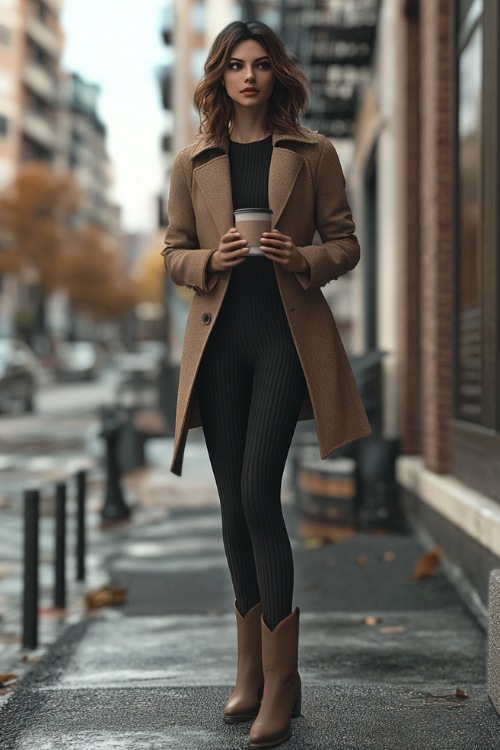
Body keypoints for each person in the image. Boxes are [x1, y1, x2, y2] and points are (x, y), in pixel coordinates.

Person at [162, 20, 371, 749]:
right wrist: (208, 260)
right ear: (220, 76)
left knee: (257, 493)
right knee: (230, 506)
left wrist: (303, 255)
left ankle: (283, 680)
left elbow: (346, 243)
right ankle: (249, 668)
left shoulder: (314, 154)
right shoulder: (193, 160)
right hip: (218, 343)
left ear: (277, 73)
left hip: (285, 336)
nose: (248, 76)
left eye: (260, 64)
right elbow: (171, 251)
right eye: (235, 66)